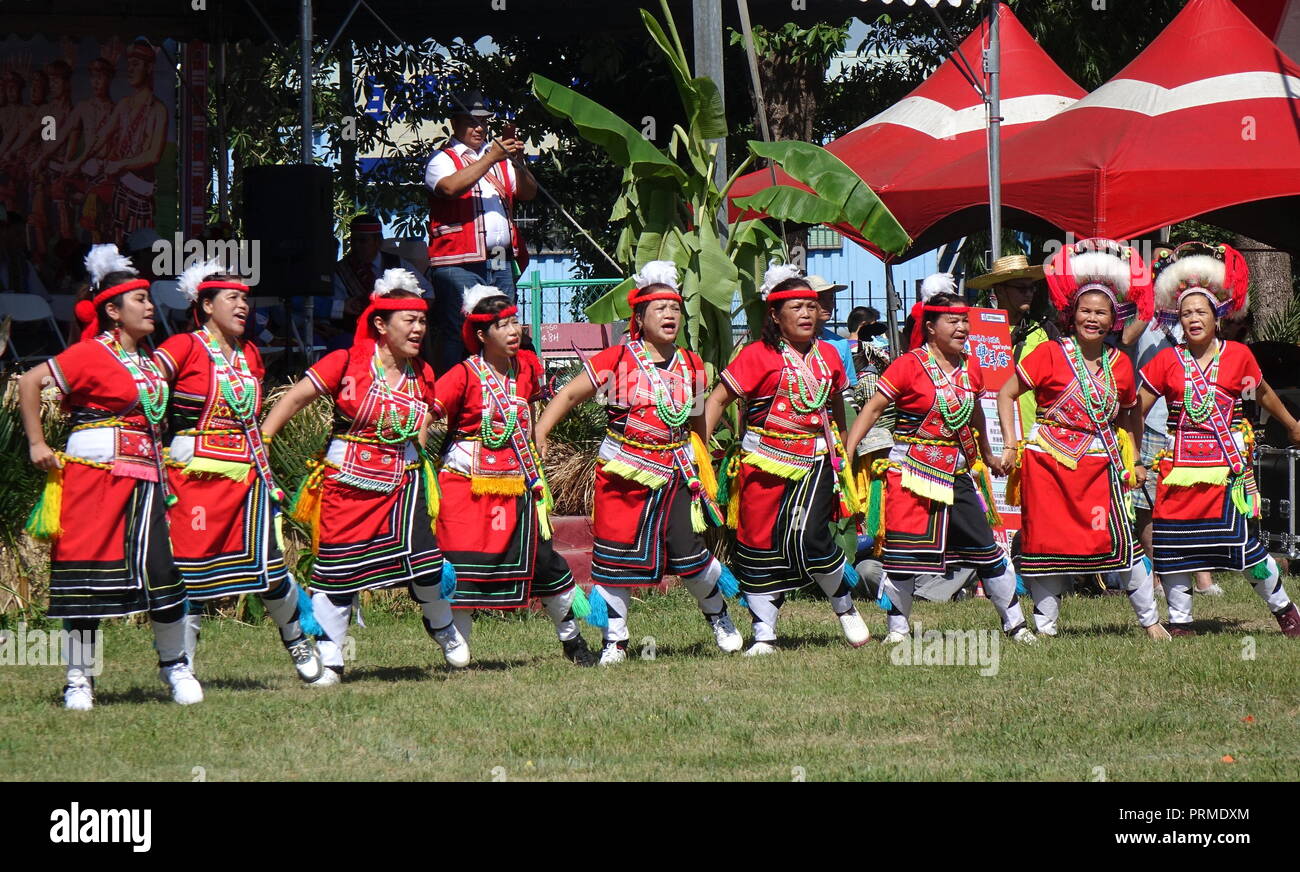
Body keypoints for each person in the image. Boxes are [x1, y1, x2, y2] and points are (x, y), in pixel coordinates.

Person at [534, 261, 743, 664]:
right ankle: (615, 641)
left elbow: (697, 421)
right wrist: (541, 432)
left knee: (689, 554)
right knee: (614, 559)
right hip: (622, 472)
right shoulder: (616, 359)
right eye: (660, 309)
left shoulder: (691, 364)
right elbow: (569, 395)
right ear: (640, 317)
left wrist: (703, 458)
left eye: (676, 309)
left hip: (675, 471)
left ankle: (719, 616)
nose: (670, 316)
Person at [17, 244, 196, 709]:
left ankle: (176, 667)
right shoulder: (88, 354)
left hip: (148, 479)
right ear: (113, 311)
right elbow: (30, 381)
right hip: (93, 478)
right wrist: (38, 443)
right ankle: (79, 679)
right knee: (86, 577)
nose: (150, 306)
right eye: (140, 300)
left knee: (163, 570)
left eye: (149, 299)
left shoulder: (152, 361)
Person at [261, 269, 460, 683]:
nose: (419, 328)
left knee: (425, 562)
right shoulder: (345, 361)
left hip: (403, 482)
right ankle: (331, 657)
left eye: (423, 320)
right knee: (338, 574)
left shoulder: (421, 372)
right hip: (346, 482)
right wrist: (263, 439)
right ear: (380, 324)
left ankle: (440, 623)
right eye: (410, 320)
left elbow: (421, 419)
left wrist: (420, 459)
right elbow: (296, 397)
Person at [153, 259, 327, 684]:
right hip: (193, 475)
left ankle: (295, 638)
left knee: (268, 568)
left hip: (246, 474)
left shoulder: (249, 353)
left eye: (245, 299)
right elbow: (147, 392)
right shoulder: (182, 347)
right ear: (206, 304)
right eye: (232, 298)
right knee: (190, 574)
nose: (242, 306)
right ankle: (182, 666)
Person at [846, 272, 1036, 645]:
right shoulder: (907, 365)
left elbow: (976, 416)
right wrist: (850, 449)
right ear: (930, 327)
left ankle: (1015, 624)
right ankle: (898, 630)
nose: (962, 327)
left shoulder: (971, 367)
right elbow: (871, 409)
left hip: (957, 472)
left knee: (986, 550)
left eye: (965, 320)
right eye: (953, 320)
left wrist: (989, 455)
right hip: (911, 472)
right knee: (902, 557)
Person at [996, 238, 1167, 639]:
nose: (1093, 318)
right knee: (1045, 548)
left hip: (1099, 464)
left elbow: (1130, 415)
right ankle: (1046, 625)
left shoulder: (1121, 365)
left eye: (1101, 312)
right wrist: (1009, 444)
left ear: (1114, 319)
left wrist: (1136, 459)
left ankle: (1151, 620)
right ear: (1072, 314)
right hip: (1047, 463)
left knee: (1120, 539)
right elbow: (1006, 393)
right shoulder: (1049, 354)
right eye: (1086, 311)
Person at [703, 263, 870, 655]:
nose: (807, 314)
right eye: (797, 307)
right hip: (762, 459)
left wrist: (843, 453)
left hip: (815, 459)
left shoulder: (829, 354)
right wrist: (698, 450)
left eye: (811, 306)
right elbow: (717, 400)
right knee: (757, 543)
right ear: (775, 316)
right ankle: (764, 634)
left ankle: (843, 603)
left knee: (811, 535)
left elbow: (835, 408)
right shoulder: (755, 356)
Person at [1137, 241, 1300, 637]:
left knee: (1244, 548)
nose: (1193, 318)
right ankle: (1180, 622)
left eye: (1200, 311)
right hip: (1177, 472)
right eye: (1186, 312)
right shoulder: (1166, 360)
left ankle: (1284, 610)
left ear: (1216, 315)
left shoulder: (1238, 355)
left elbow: (1261, 393)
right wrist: (1132, 455)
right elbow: (1135, 409)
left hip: (1225, 470)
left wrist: (1293, 424)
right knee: (1174, 548)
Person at [430, 284, 596, 666]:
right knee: (463, 566)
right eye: (501, 325)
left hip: (518, 487)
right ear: (479, 334)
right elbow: (428, 415)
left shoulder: (528, 368)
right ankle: (457, 651)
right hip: (467, 489)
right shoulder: (461, 376)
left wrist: (541, 432)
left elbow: (551, 399)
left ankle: (573, 642)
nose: (513, 330)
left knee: (545, 563)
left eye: (515, 322)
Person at [424, 91, 536, 374]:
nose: (479, 128)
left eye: (483, 122)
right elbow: (449, 188)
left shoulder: (499, 159)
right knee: (455, 327)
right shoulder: (442, 159)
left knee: (502, 325)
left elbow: (527, 192)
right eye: (471, 122)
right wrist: (492, 157)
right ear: (455, 124)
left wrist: (518, 160)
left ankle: (502, 386)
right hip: (457, 260)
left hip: (499, 258)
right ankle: (449, 395)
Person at [328, 214, 432, 348]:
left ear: (378, 241)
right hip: (354, 335)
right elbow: (335, 306)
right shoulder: (340, 271)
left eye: (363, 241)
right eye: (353, 241)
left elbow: (428, 293)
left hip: (397, 335)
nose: (356, 246)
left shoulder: (397, 263)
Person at [808, 275, 858, 388]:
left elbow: (850, 386)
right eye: (820, 299)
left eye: (831, 298)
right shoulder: (788, 343)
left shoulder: (841, 343)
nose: (829, 304)